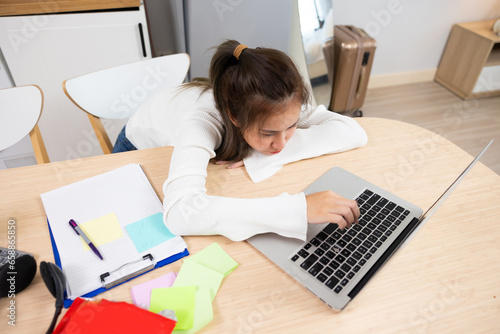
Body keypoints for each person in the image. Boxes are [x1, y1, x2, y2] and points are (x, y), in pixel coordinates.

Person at [113, 40, 368, 241]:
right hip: (138, 148)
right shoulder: (201, 121)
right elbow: (180, 213)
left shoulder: (283, 102)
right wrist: (297, 210)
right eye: (267, 134)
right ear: (234, 117)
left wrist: (256, 151)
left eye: (291, 127)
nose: (281, 144)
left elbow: (352, 131)